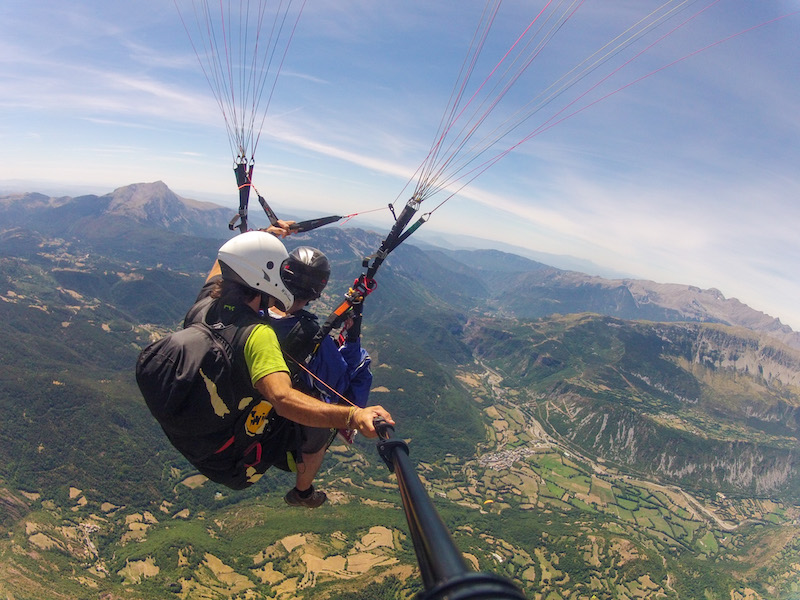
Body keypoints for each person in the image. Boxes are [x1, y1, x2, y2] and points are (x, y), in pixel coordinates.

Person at [187, 230, 393, 507]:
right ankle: (303, 491)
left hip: (203, 410)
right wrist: (353, 415)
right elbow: (337, 383)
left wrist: (261, 235)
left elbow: (223, 265)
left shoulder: (209, 304)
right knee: (322, 423)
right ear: (316, 293)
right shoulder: (289, 335)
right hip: (253, 423)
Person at [269, 246, 373, 443]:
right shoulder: (308, 333)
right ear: (317, 292)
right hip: (288, 413)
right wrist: (352, 340)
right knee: (361, 363)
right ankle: (344, 428)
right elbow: (339, 381)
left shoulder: (255, 310)